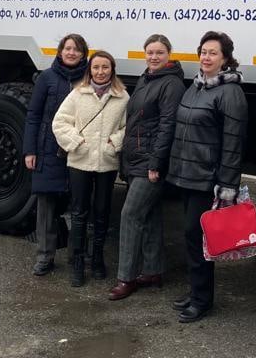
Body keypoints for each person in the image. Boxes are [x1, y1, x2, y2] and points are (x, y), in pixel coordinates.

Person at [166, 31, 248, 323]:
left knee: (197, 235)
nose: (206, 57)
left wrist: (227, 185)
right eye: (203, 52)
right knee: (191, 237)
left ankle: (202, 300)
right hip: (186, 174)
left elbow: (233, 143)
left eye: (213, 53)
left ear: (225, 58)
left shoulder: (230, 93)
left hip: (207, 179)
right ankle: (195, 292)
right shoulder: (196, 86)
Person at [108, 34, 185, 301]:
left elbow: (168, 126)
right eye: (150, 52)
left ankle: (126, 278)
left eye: (159, 52)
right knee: (149, 214)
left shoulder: (172, 84)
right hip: (137, 158)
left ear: (168, 54)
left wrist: (156, 163)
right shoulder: (146, 78)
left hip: (150, 162)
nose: (154, 57)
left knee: (130, 215)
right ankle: (152, 271)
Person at [52, 50, 128, 287]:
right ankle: (77, 262)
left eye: (105, 67)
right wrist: (76, 142)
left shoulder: (122, 97)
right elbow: (59, 122)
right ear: (90, 70)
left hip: (106, 162)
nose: (100, 72)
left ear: (112, 70)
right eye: (96, 67)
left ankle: (97, 259)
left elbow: (128, 127)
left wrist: (114, 143)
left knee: (102, 212)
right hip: (80, 161)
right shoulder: (78, 94)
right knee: (79, 212)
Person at [22, 33, 88, 276]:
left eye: (76, 49)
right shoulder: (47, 78)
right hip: (48, 148)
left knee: (78, 205)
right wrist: (30, 150)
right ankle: (44, 256)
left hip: (78, 149)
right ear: (60, 51)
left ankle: (76, 256)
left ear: (83, 54)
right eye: (67, 48)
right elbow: (34, 115)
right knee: (46, 205)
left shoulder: (89, 79)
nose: (71, 53)